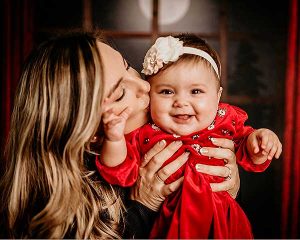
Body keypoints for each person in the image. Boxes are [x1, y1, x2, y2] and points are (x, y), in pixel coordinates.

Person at [0, 31, 241, 239]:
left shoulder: (172, 128)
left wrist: (222, 192)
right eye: (119, 94)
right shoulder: (66, 214)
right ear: (89, 132)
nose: (145, 86)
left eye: (128, 66)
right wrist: (142, 208)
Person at [96, 34, 282, 238]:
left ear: (217, 96)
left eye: (195, 91)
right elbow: (118, 168)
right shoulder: (145, 134)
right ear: (151, 94)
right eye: (167, 92)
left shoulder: (224, 120)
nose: (181, 102)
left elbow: (248, 149)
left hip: (222, 224)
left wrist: (260, 141)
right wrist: (114, 141)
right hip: (169, 226)